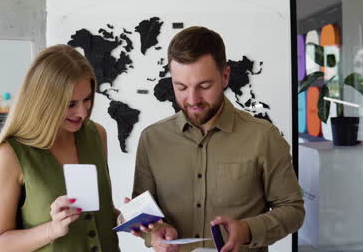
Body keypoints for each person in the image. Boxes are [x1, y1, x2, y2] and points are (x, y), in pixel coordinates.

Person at [131, 26, 305, 252]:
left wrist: (248, 229)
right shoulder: (151, 139)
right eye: (181, 87)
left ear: (225, 76)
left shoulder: (264, 137)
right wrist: (153, 233)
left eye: (204, 86)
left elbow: (293, 209)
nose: (192, 99)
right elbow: (141, 212)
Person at [0, 44, 119, 252]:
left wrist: (131, 218)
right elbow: (0, 244)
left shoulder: (97, 135)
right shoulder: (11, 155)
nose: (83, 113)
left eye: (87, 99)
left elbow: (101, 212)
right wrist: (52, 229)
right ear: (43, 101)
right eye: (70, 104)